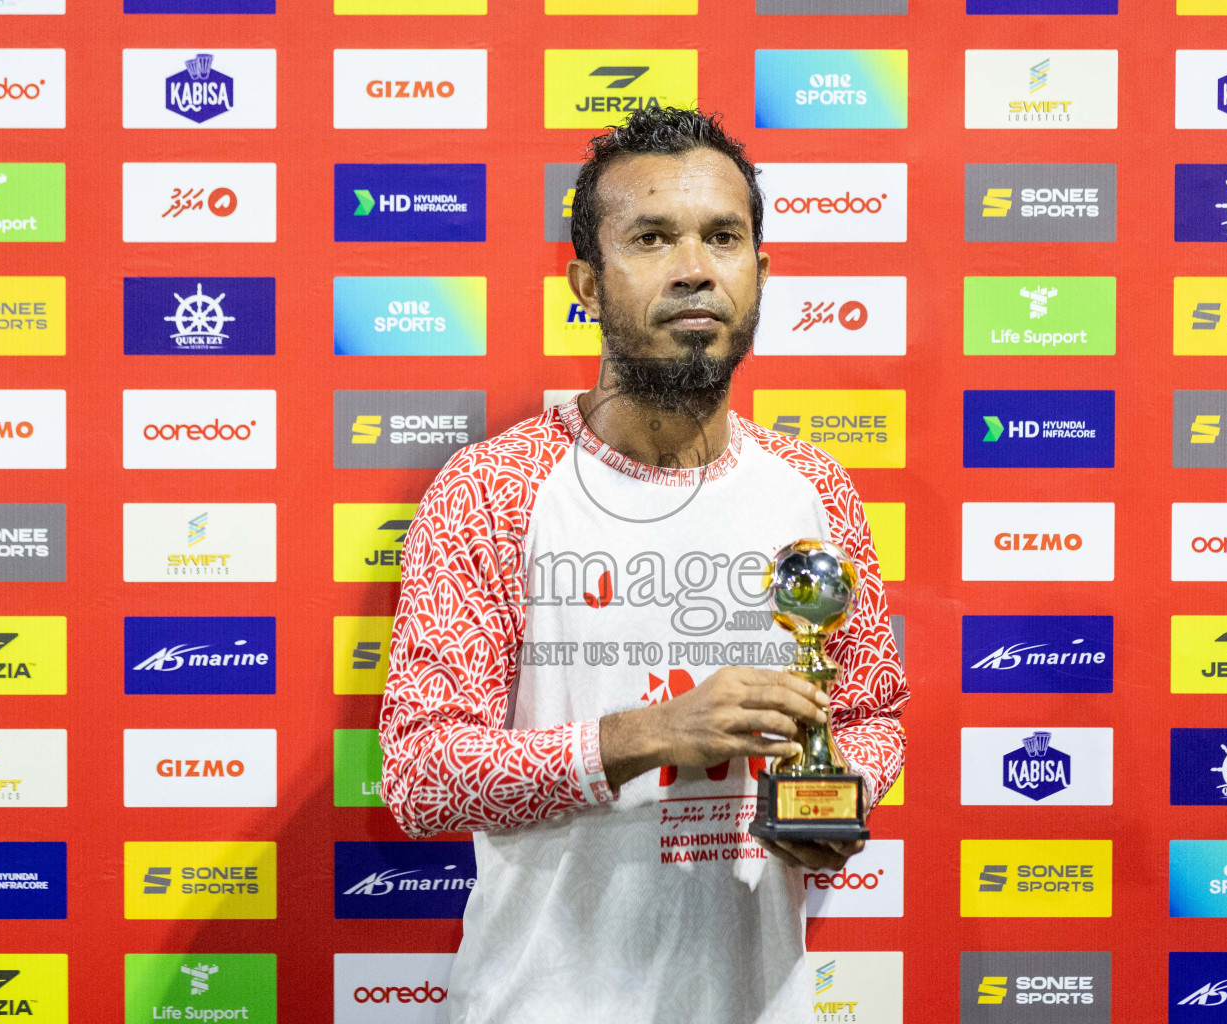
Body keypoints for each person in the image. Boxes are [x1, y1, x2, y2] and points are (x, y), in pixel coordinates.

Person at [377, 106, 908, 1024]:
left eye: (723, 237)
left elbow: (872, 711)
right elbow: (422, 776)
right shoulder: (493, 489)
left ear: (761, 272)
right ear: (586, 280)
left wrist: (834, 797)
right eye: (652, 238)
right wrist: (651, 735)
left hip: (757, 1001)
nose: (695, 267)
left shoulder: (814, 487)